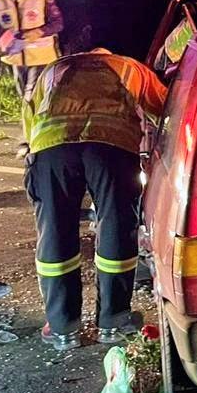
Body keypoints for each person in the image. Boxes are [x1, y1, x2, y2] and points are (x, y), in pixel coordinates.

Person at [22, 49, 167, 350]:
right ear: (108, 55)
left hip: (52, 147)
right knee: (116, 225)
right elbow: (167, 108)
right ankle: (113, 324)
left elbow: (30, 116)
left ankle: (63, 329)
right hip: (112, 146)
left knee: (55, 233)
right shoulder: (130, 67)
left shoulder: (54, 68)